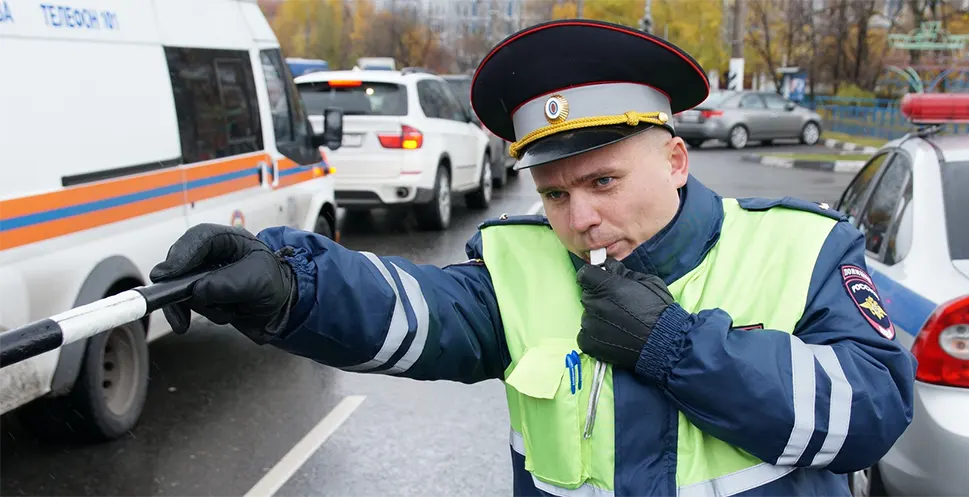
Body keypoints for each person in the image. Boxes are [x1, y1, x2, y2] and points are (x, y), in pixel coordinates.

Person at [150, 20, 917, 497]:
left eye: (603, 181)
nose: (580, 220)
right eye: (553, 194)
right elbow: (414, 311)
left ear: (677, 160)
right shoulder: (523, 266)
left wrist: (677, 347)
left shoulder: (803, 246)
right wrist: (287, 283)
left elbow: (872, 412)